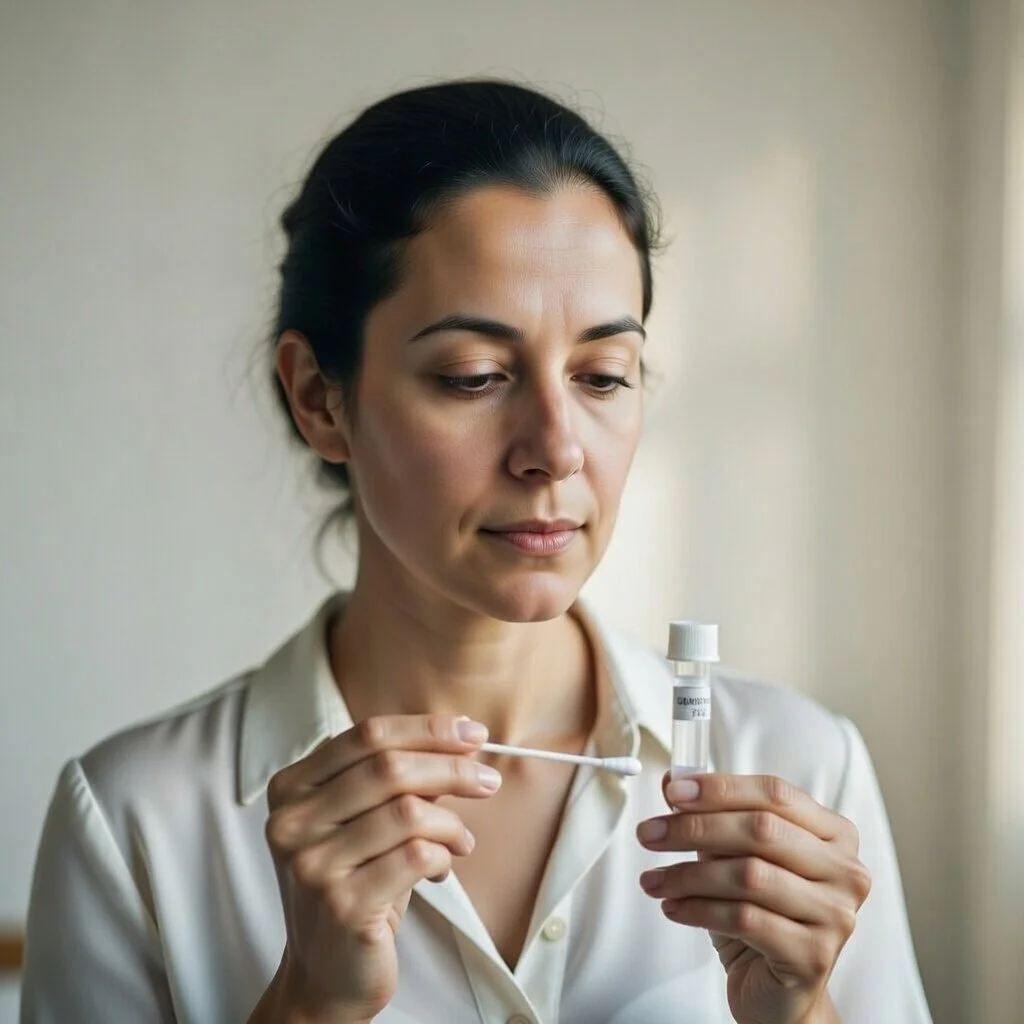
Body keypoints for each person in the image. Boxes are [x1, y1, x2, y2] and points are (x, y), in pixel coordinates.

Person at [20, 79, 933, 1024]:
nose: (557, 447)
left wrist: (804, 1013)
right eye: (475, 376)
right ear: (320, 398)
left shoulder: (803, 766)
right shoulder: (136, 820)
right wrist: (307, 1006)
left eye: (603, 375)